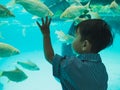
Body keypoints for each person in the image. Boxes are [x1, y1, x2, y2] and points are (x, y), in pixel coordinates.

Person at [36, 16, 113, 90]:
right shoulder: (102, 69)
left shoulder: (71, 64)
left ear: (85, 45)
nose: (73, 39)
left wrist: (46, 35)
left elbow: (50, 56)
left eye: (76, 36)